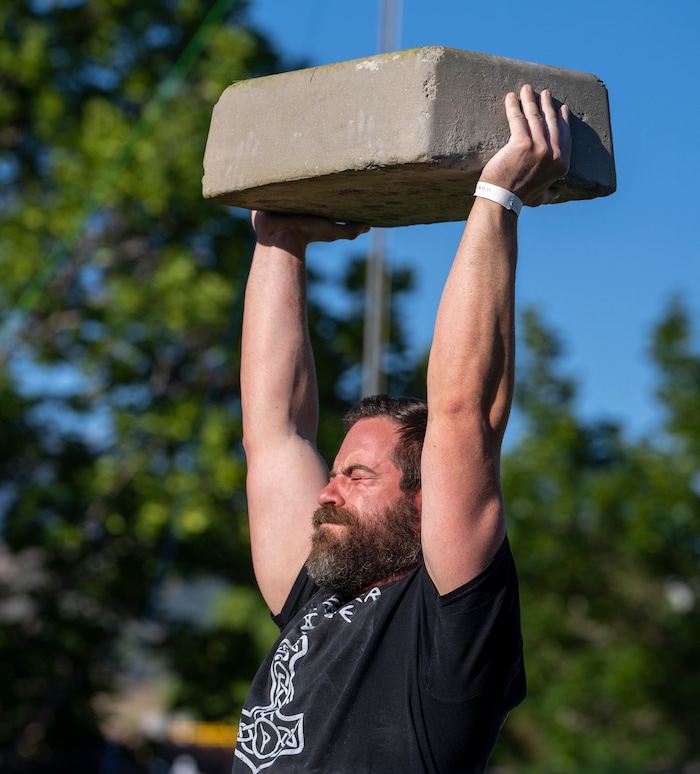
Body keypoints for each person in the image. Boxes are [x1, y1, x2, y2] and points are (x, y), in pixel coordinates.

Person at [233, 85, 571, 774]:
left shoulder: (447, 630)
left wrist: (496, 199)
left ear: (425, 500)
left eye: (359, 476)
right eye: (337, 470)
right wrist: (280, 238)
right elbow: (274, 432)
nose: (328, 490)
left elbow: (462, 413)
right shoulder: (313, 598)